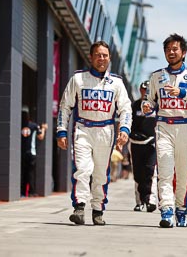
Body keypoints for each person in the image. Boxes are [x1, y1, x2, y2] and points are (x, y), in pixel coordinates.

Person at [56, 41, 132, 226]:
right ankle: (79, 208)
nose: (101, 58)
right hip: (83, 128)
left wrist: (124, 129)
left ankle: (98, 210)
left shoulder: (117, 82)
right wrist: (61, 131)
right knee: (83, 169)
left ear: (109, 58)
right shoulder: (78, 79)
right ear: (91, 57)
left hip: (106, 131)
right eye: (98, 55)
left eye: (105, 55)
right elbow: (65, 106)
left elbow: (126, 108)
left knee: (100, 174)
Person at [142, 33, 187, 228]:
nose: (171, 52)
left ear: (183, 52)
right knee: (164, 171)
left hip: (186, 127)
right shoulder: (156, 76)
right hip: (163, 127)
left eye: (175, 49)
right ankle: (167, 210)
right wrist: (147, 106)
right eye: (168, 49)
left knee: (184, 173)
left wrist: (183, 93)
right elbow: (150, 101)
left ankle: (181, 210)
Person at [129, 80, 157, 213]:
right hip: (135, 143)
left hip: (151, 142)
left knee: (151, 172)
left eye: (148, 90)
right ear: (140, 90)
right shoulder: (134, 105)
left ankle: (151, 200)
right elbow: (126, 121)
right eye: (143, 90)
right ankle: (139, 202)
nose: (145, 92)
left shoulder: (156, 106)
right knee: (138, 174)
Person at [21, 106, 48, 197]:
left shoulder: (19, 124)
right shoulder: (33, 125)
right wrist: (43, 128)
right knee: (30, 173)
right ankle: (31, 192)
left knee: (23, 173)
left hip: (22, 153)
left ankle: (23, 192)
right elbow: (41, 137)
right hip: (31, 152)